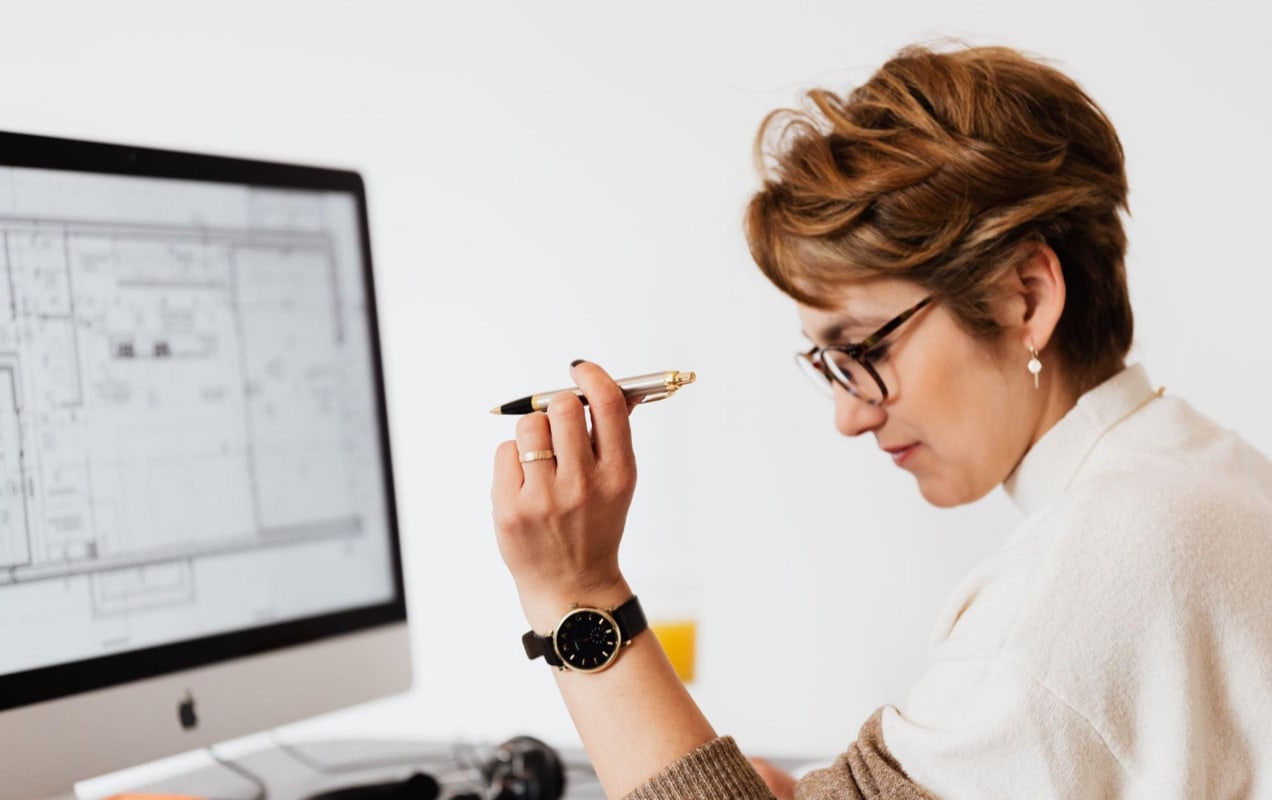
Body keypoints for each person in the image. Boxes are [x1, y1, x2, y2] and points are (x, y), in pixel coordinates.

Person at [490, 43, 1272, 799]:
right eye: (827, 364)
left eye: (862, 348)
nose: (848, 415)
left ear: (1024, 296)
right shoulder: (1204, 471)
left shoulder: (1081, 582)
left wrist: (577, 594)